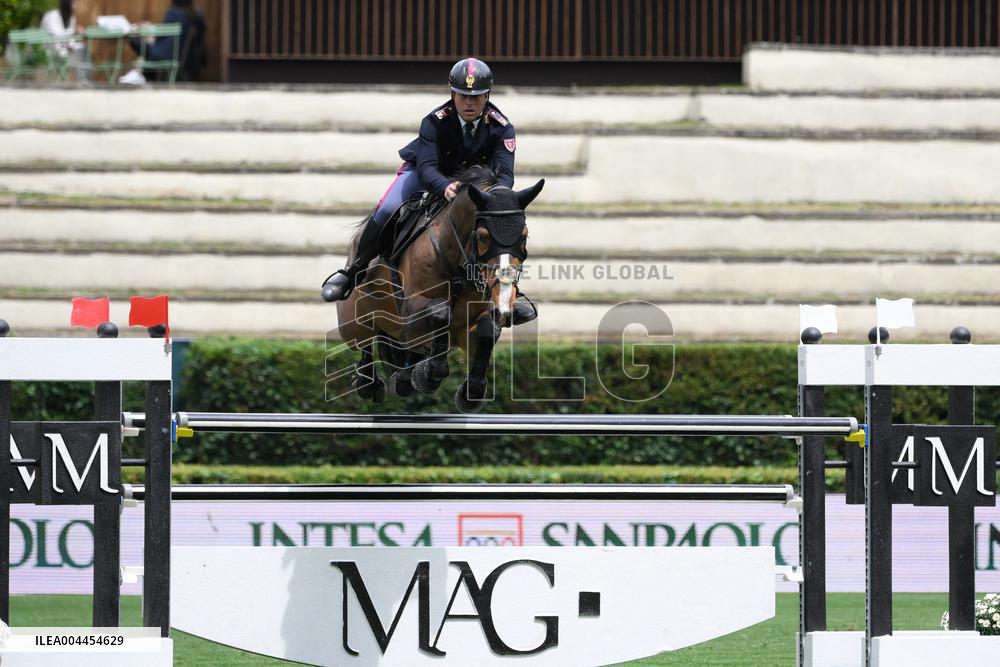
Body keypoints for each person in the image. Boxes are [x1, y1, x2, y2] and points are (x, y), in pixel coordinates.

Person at [323, 57, 531, 324]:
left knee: (503, 221)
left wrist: (495, 198)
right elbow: (427, 167)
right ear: (452, 94)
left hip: (474, 185)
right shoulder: (435, 121)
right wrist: (444, 186)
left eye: (476, 97)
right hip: (428, 175)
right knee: (387, 208)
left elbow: (505, 175)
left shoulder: (502, 127)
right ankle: (353, 271)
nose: (469, 103)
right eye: (463, 96)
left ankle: (509, 293)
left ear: (487, 96)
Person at [118, 0, 206, 85]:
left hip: (164, 55)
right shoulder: (196, 15)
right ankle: (137, 73)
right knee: (149, 45)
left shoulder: (174, 13)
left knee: (134, 39)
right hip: (184, 57)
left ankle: (137, 73)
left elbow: (161, 35)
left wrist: (148, 30)